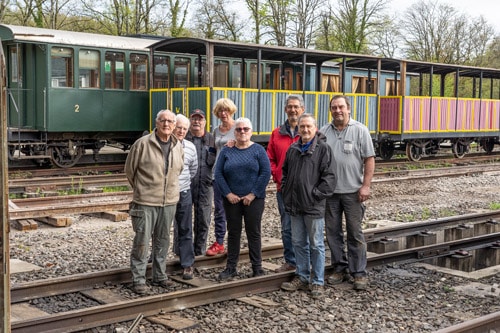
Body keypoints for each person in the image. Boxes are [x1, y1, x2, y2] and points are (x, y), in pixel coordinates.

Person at [125, 109, 184, 295]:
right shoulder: (142, 144)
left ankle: (159, 276)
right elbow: (130, 171)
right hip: (146, 202)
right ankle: (139, 279)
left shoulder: (177, 145)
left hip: (169, 202)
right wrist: (144, 191)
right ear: (156, 123)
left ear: (174, 125)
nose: (166, 124)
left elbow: (178, 171)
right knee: (142, 241)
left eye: (170, 121)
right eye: (163, 121)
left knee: (163, 241)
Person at [320, 95, 376, 291]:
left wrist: (366, 185)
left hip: (353, 192)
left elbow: (369, 159)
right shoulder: (324, 131)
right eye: (334, 108)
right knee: (333, 233)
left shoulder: (360, 130)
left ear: (348, 108)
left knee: (355, 233)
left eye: (340, 107)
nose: (337, 111)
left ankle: (358, 272)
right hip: (330, 193)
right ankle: (339, 267)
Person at [280, 113, 336, 298]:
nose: (305, 130)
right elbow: (285, 173)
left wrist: (315, 196)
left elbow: (329, 179)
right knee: (298, 243)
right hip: (295, 205)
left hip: (313, 206)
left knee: (316, 244)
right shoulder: (293, 149)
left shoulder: (323, 149)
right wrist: (287, 192)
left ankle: (317, 281)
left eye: (308, 127)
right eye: (302, 127)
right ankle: (302, 276)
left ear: (315, 129)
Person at [214, 117, 271, 279]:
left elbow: (265, 173)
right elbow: (218, 173)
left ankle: (257, 267)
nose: (242, 132)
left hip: (254, 199)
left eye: (245, 129)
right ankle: (231, 267)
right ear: (235, 132)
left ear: (251, 132)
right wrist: (228, 194)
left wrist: (252, 194)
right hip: (232, 200)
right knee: (233, 233)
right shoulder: (227, 150)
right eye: (238, 129)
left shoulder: (258, 150)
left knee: (254, 232)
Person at [266, 94, 305, 273]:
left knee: (306, 226)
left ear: (302, 109)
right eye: (290, 107)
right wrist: (276, 173)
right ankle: (291, 261)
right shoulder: (277, 133)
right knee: (287, 226)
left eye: (296, 106)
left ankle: (306, 261)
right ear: (285, 110)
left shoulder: (309, 131)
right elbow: (270, 158)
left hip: (305, 190)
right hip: (284, 189)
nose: (293, 110)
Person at [206, 98, 237, 256]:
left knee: (233, 210)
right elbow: (213, 151)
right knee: (219, 210)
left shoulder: (238, 128)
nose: (223, 113)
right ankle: (219, 242)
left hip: (233, 175)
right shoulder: (216, 130)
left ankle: (233, 241)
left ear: (231, 111)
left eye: (226, 110)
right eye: (220, 111)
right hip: (218, 174)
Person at [185, 109, 216, 256]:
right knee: (183, 220)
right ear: (190, 121)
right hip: (185, 186)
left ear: (205, 122)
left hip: (205, 185)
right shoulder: (183, 138)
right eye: (194, 119)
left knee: (203, 219)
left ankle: (199, 252)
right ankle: (183, 252)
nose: (196, 121)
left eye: (200, 119)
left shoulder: (212, 139)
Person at [172, 114, 198, 280]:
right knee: (159, 229)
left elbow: (193, 170)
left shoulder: (190, 146)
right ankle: (156, 262)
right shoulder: (164, 144)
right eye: (178, 127)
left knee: (185, 228)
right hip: (165, 194)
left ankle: (187, 264)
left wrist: (183, 184)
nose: (181, 131)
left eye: (184, 128)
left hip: (184, 192)